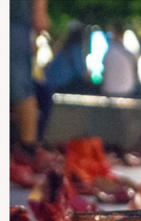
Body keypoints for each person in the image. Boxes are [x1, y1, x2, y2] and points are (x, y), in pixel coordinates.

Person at [37, 20, 88, 142]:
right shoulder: (76, 49)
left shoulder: (62, 47)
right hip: (61, 85)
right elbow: (82, 72)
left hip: (48, 85)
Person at [11, 0, 50, 153]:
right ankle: (28, 149)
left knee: (21, 85)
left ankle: (28, 150)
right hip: (17, 24)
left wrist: (39, 10)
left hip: (15, 23)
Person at [101, 23, 138, 98]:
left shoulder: (108, 52)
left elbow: (104, 73)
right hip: (126, 92)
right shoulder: (129, 52)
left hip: (111, 92)